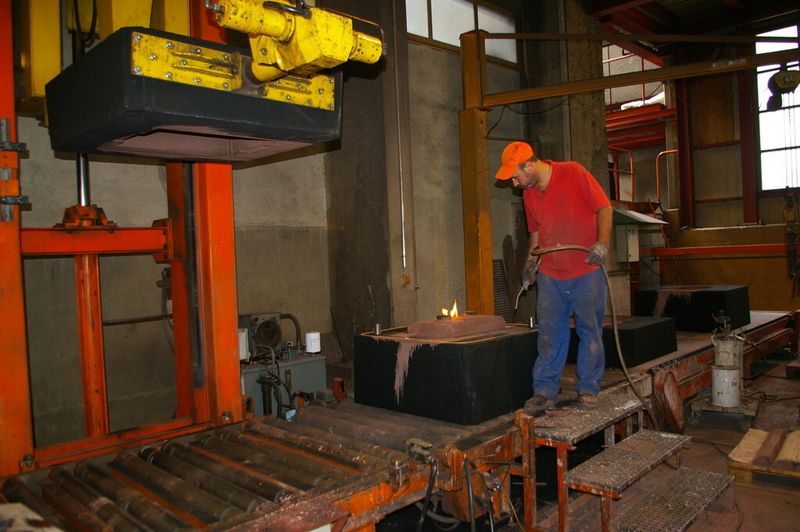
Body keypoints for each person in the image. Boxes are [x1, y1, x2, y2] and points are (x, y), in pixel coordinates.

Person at [495, 141, 612, 411]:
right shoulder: (529, 193)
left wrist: (602, 243)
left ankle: (589, 388)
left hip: (586, 271)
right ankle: (545, 391)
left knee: (590, 331)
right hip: (550, 274)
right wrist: (530, 261)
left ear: (529, 165)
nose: (514, 183)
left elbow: (604, 208)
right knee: (549, 334)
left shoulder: (574, 173)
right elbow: (536, 233)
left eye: (516, 176)